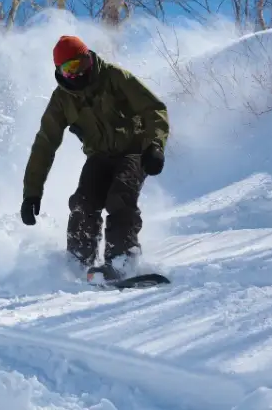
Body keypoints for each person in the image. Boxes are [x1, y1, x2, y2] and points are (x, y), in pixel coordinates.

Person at [20, 35, 169, 281]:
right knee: (83, 203)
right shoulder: (62, 99)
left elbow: (154, 108)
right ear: (60, 71)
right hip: (99, 157)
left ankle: (122, 261)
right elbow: (45, 144)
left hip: (133, 150)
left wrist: (155, 145)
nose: (77, 73)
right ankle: (77, 264)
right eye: (70, 69)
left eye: (81, 63)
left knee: (119, 197)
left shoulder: (114, 77)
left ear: (89, 58)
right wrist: (31, 193)